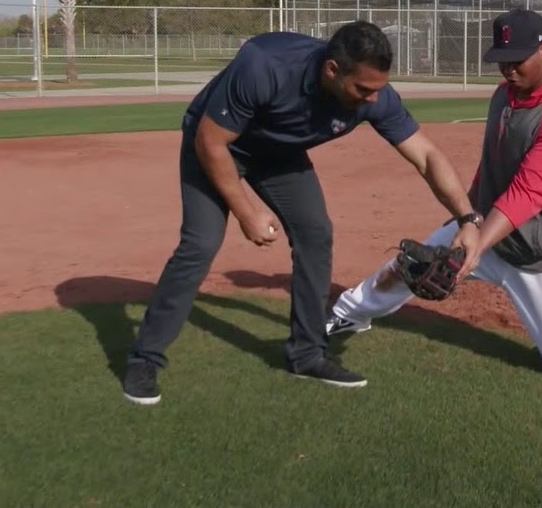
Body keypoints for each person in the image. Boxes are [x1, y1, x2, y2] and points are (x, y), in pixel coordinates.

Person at [122, 20, 485, 405]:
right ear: (332, 70)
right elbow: (211, 142)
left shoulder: (373, 95)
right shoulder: (265, 65)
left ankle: (307, 354)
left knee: (315, 233)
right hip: (216, 144)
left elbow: (426, 156)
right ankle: (145, 358)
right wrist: (246, 213)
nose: (372, 101)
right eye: (363, 89)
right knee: (201, 242)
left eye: (378, 90)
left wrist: (466, 217)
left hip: (277, 155)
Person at [324, 9, 542, 381]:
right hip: (490, 231)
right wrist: (464, 220)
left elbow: (528, 192)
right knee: (413, 264)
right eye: (501, 61)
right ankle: (349, 313)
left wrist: (474, 245)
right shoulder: (503, 96)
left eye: (516, 61)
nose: (508, 70)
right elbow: (490, 167)